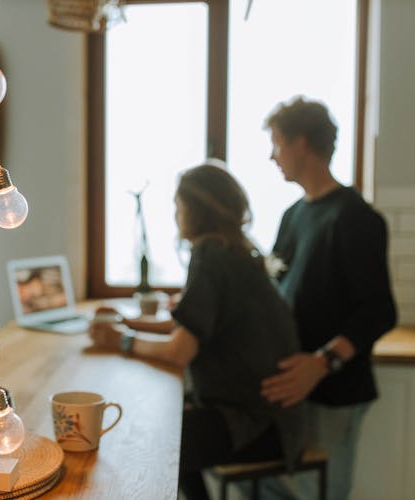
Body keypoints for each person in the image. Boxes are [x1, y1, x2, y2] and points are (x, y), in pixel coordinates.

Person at [89, 161, 306, 500]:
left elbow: (179, 351)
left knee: (150, 443)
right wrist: (128, 321)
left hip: (255, 425)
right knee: (165, 431)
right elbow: (190, 324)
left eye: (178, 206)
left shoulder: (210, 254)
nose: (176, 216)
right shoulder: (236, 252)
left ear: (195, 209)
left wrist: (122, 339)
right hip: (273, 420)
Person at [259, 96, 397, 500]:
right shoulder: (293, 216)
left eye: (277, 144)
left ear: (301, 143)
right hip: (290, 392)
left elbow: (379, 311)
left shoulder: (354, 217)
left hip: (334, 392)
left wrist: (322, 363)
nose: (272, 156)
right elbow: (275, 293)